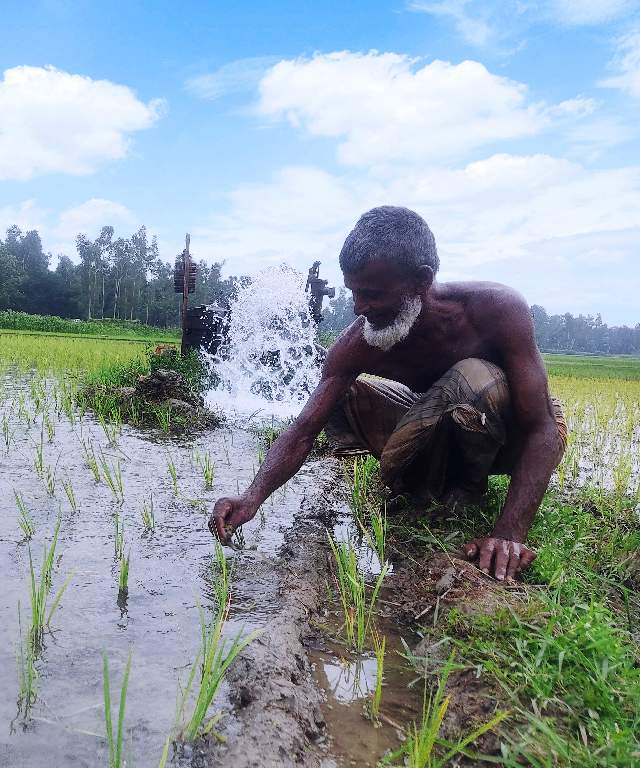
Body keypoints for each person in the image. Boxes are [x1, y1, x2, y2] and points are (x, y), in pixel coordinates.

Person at [209, 206, 567, 582]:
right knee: (338, 393)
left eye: (370, 294)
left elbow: (541, 429)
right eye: (353, 292)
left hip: (517, 435)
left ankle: (468, 488)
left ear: (420, 281)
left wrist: (510, 532)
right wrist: (251, 499)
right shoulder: (357, 344)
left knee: (471, 377)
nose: (358, 308)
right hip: (443, 416)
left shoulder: (496, 310)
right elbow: (302, 431)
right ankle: (431, 482)